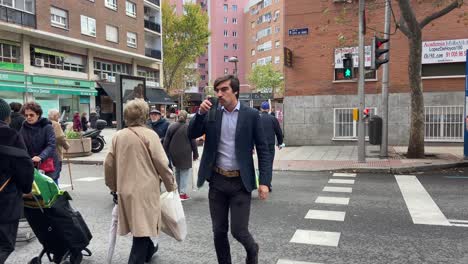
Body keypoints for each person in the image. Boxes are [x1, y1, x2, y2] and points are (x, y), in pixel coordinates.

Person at [188, 75, 271, 264]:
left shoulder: (251, 115)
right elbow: (191, 134)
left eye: (224, 89)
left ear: (235, 91)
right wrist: (199, 114)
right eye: (217, 90)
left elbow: (263, 150)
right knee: (218, 231)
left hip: (240, 182)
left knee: (239, 231)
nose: (219, 94)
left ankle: (252, 249)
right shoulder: (211, 112)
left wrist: (264, 182)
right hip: (217, 180)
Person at [104, 99, 176, 264]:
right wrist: (171, 185)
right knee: (142, 232)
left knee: (140, 229)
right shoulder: (150, 135)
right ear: (144, 116)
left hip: (125, 190)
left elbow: (108, 164)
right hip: (146, 191)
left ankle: (150, 250)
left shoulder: (118, 136)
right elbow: (162, 163)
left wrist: (113, 187)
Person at [0, 98, 34, 263]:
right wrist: (26, 188)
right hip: (5, 200)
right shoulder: (9, 135)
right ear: (6, 117)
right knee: (4, 244)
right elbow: (24, 166)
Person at [163, 110, 199, 201]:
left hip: (174, 153)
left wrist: (165, 153)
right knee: (184, 173)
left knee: (178, 171)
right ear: (186, 118)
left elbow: (166, 141)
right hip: (185, 153)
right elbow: (193, 142)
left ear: (178, 117)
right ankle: (182, 194)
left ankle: (178, 192)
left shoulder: (171, 126)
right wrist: (195, 154)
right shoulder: (189, 127)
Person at [19, 102, 57, 180]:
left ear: (38, 114)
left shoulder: (47, 127)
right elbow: (20, 144)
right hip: (31, 163)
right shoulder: (24, 127)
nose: (28, 117)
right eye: (26, 115)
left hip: (47, 163)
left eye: (31, 115)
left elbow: (51, 145)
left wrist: (41, 157)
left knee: (50, 188)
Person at [259, 101, 283, 192]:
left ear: (261, 109)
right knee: (269, 164)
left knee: (262, 164)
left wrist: (252, 146)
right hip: (270, 145)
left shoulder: (258, 118)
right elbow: (279, 132)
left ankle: (262, 183)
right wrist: (280, 143)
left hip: (260, 146)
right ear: (269, 109)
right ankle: (267, 184)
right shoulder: (273, 119)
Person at [48, 109, 70, 182]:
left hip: (46, 152)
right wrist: (66, 146)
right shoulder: (55, 124)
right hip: (56, 152)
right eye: (58, 115)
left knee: (48, 172)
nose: (59, 117)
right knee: (55, 173)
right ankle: (55, 190)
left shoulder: (45, 123)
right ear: (54, 116)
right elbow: (60, 137)